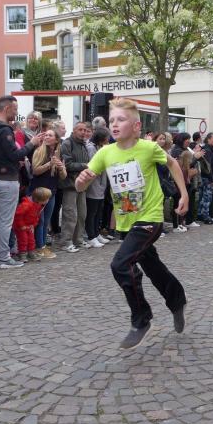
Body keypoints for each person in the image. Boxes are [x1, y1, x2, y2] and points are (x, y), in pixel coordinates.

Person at [75, 98, 188, 350]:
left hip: (150, 218)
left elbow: (172, 163)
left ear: (136, 126)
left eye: (121, 120)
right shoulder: (105, 153)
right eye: (112, 120)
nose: (115, 124)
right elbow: (81, 184)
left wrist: (184, 194)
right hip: (126, 221)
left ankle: (141, 319)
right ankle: (177, 300)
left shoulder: (148, 148)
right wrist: (81, 181)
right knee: (153, 267)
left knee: (120, 264)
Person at [0, 96, 38, 268]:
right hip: (8, 181)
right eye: (15, 109)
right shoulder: (5, 130)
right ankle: (4, 257)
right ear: (6, 109)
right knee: (5, 220)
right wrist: (31, 144)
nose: (16, 112)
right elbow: (14, 154)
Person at [30, 128, 66, 259]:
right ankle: (39, 247)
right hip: (39, 192)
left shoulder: (59, 154)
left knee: (46, 222)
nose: (46, 137)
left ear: (56, 140)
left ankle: (42, 246)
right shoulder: (39, 151)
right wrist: (49, 164)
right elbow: (35, 171)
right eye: (45, 135)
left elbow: (63, 176)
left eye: (50, 135)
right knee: (39, 221)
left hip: (51, 192)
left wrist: (61, 168)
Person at [58, 121, 92, 252]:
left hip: (82, 184)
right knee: (70, 215)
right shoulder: (67, 143)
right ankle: (65, 242)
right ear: (74, 130)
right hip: (70, 185)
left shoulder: (83, 144)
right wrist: (85, 166)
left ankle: (78, 240)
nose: (83, 132)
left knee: (82, 215)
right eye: (80, 130)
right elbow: (67, 164)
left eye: (85, 130)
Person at [86, 127, 112, 246]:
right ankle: (91, 236)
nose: (108, 139)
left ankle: (96, 234)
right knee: (92, 212)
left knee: (98, 211)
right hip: (94, 184)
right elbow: (94, 165)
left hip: (101, 183)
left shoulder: (100, 147)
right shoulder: (91, 148)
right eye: (107, 137)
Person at [14, 187, 51, 260]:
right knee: (23, 240)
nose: (48, 200)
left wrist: (33, 224)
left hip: (29, 226)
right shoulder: (26, 205)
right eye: (47, 199)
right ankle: (22, 254)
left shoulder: (38, 205)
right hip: (21, 227)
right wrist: (21, 225)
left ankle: (31, 252)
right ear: (40, 199)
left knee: (31, 240)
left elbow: (36, 216)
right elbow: (18, 215)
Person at [197, 133, 213, 223]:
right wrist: (212, 180)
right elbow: (207, 167)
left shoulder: (210, 149)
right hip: (207, 178)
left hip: (206, 178)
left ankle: (200, 214)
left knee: (203, 197)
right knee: (207, 198)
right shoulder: (207, 150)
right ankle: (206, 217)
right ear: (208, 139)